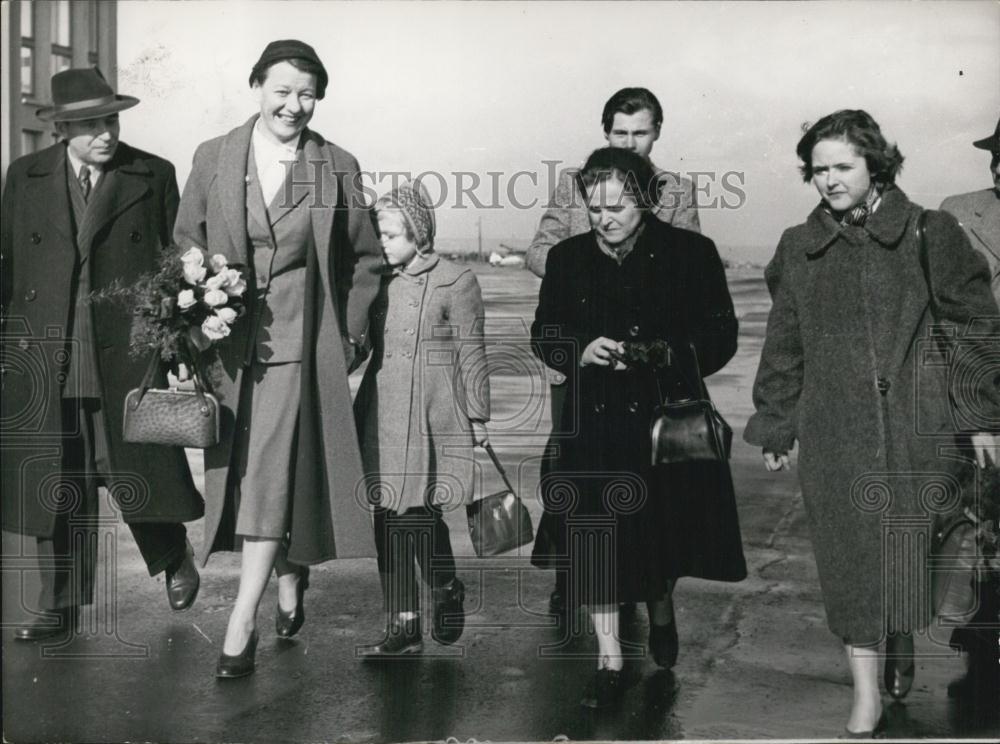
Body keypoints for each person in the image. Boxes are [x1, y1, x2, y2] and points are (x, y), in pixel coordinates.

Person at [745, 109, 1000, 737]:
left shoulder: (929, 232)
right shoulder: (798, 247)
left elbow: (971, 329)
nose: (829, 180)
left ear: (875, 164)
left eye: (843, 166)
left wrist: (979, 418)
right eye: (819, 169)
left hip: (921, 428)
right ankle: (865, 694)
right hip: (835, 431)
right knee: (852, 563)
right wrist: (776, 423)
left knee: (912, 553)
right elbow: (784, 344)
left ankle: (900, 632)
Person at [173, 39, 382, 678]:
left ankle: (241, 623)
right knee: (242, 473)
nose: (295, 105)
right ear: (256, 85)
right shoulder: (214, 156)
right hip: (226, 346)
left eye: (308, 93)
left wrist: (347, 336)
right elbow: (186, 241)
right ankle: (289, 573)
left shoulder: (336, 164)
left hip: (299, 342)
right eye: (283, 91)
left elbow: (365, 257)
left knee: (262, 474)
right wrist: (185, 323)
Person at [531, 146, 746, 708]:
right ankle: (609, 659)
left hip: (662, 423)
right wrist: (579, 349)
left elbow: (722, 336)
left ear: (646, 201)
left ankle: (661, 607)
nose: (605, 217)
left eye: (618, 206)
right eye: (595, 206)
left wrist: (662, 352)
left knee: (660, 538)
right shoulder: (567, 258)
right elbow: (543, 332)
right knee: (595, 539)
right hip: (592, 422)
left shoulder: (691, 254)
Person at [0, 67, 203, 641]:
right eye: (90, 124)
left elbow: (175, 270)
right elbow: (9, 266)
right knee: (55, 475)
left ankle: (170, 554)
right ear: (63, 129)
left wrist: (175, 340)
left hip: (123, 348)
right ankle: (57, 603)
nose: (106, 133)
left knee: (125, 466)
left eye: (110, 119)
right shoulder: (24, 176)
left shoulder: (152, 173)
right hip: (45, 347)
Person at [526, 87, 702, 621]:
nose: (631, 142)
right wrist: (583, 275)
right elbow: (539, 250)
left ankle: (648, 590)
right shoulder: (572, 185)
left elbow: (689, 265)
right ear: (606, 134)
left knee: (650, 478)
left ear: (657, 134)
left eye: (641, 132)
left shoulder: (675, 190)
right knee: (568, 466)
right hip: (583, 354)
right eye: (620, 133)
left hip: (646, 359)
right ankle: (569, 574)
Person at [353, 180, 490, 658]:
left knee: (420, 515)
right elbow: (360, 348)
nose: (382, 244)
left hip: (435, 415)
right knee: (385, 517)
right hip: (380, 413)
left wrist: (478, 416)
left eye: (390, 235)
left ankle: (446, 587)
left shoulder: (456, 279)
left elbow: (473, 351)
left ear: (418, 232)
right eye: (379, 235)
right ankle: (403, 623)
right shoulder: (373, 281)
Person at [939, 116, 1000, 699]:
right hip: (976, 382)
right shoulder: (958, 211)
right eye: (998, 154)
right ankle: (984, 629)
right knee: (983, 511)